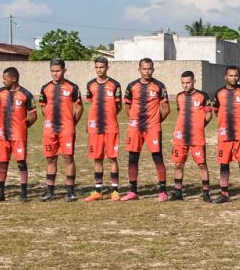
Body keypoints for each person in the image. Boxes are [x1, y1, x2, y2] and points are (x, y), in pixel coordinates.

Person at [123, 58, 170, 201]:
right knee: (133, 158)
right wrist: (134, 120)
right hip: (135, 127)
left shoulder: (159, 86)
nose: (147, 71)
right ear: (139, 69)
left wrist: (155, 120)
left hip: (152, 127)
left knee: (157, 157)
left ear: (153, 69)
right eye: (144, 69)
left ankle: (162, 191)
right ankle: (133, 191)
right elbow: (127, 107)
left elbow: (166, 108)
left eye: (149, 69)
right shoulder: (131, 86)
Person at [38, 59, 84, 201]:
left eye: (57, 71)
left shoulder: (73, 87)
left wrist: (71, 122)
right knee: (50, 159)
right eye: (52, 71)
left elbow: (79, 107)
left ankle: (70, 191)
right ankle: (49, 191)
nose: (55, 74)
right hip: (50, 129)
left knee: (68, 158)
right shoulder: (45, 88)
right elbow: (43, 106)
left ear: (64, 70)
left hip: (67, 129)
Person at [211, 65, 240, 203]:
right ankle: (224, 193)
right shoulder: (218, 92)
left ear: (239, 77)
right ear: (225, 77)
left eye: (236, 75)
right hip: (224, 134)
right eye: (231, 75)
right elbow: (216, 110)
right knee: (224, 164)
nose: (233, 78)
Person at [0, 67, 35, 202]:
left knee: (21, 162)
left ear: (14, 78)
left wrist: (22, 126)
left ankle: (23, 193)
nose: (3, 81)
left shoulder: (26, 94)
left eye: (5, 78)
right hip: (2, 135)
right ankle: (0, 192)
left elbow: (33, 116)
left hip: (19, 136)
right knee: (2, 162)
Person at [85, 57, 124, 200]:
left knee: (112, 158)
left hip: (111, 126)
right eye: (97, 67)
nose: (99, 69)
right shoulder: (90, 85)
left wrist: (110, 116)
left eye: (102, 67)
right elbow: (91, 104)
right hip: (95, 127)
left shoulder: (115, 85)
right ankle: (98, 191)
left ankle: (115, 191)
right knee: (97, 158)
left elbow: (118, 106)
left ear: (107, 67)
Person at [171, 70, 212, 201]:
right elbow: (180, 113)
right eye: (183, 83)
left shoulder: (202, 96)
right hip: (180, 137)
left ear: (194, 81)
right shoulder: (179, 97)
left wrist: (200, 126)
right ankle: (178, 192)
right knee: (178, 164)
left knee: (202, 164)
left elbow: (209, 114)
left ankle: (206, 193)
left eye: (188, 82)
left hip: (196, 137)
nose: (185, 85)